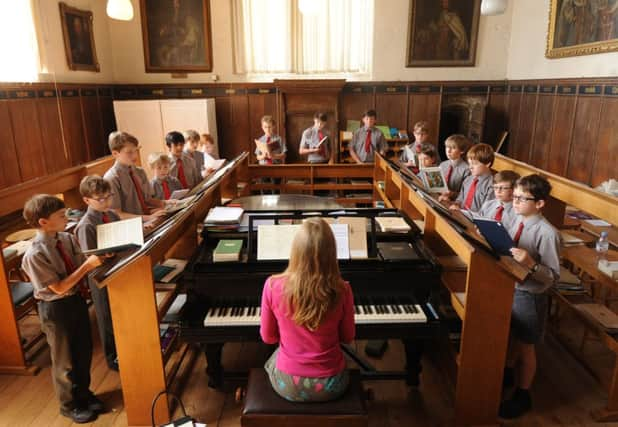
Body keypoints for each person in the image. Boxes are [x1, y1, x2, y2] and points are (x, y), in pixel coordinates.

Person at [21, 195, 106, 423]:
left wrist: (99, 257)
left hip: (76, 301)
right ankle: (68, 405)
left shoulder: (66, 238)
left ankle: (84, 394)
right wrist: (88, 265)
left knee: (83, 351)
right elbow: (58, 288)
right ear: (43, 222)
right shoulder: (35, 254)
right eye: (60, 215)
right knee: (64, 361)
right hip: (55, 309)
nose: (66, 217)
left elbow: (80, 264)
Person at [260, 218, 355, 402]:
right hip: (332, 385)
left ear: (295, 251)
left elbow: (268, 337)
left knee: (273, 359)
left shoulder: (272, 285)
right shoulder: (343, 289)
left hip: (288, 385)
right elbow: (347, 337)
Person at [500, 174, 561, 419]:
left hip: (530, 296)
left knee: (527, 346)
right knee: (514, 336)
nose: (515, 203)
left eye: (522, 199)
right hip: (510, 287)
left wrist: (531, 264)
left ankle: (523, 394)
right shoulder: (516, 219)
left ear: (540, 203)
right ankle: (507, 372)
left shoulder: (548, 233)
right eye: (514, 197)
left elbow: (553, 277)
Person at [74, 176, 120, 372]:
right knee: (106, 316)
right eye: (100, 199)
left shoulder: (112, 215)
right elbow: (89, 256)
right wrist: (103, 254)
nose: (106, 202)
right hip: (99, 276)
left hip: (117, 267)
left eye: (108, 196)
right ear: (87, 200)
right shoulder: (86, 225)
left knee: (118, 312)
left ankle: (123, 349)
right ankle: (112, 357)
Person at [103, 131, 165, 220]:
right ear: (115, 154)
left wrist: (166, 203)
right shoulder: (111, 178)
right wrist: (148, 218)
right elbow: (118, 215)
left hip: (147, 218)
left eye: (136, 150)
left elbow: (148, 200)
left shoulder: (140, 171)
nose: (135, 155)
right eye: (129, 152)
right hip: (132, 226)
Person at [450, 143, 495, 212]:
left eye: (475, 164)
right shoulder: (468, 179)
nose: (470, 167)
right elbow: (460, 199)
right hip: (460, 216)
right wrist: (456, 204)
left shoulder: (492, 185)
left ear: (487, 164)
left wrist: (464, 212)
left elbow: (486, 211)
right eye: (469, 163)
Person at [438, 134, 471, 202]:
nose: (448, 151)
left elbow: (466, 194)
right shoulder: (442, 165)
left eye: (453, 148)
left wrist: (452, 194)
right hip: (439, 198)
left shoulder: (467, 170)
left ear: (462, 151)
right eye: (447, 147)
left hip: (454, 203)